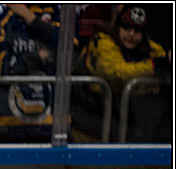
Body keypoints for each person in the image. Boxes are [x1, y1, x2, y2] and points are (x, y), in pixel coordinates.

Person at [72, 4, 171, 143]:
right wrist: (156, 64)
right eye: (126, 28)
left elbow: (161, 54)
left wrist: (168, 59)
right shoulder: (102, 41)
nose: (131, 34)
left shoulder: (147, 46)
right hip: (88, 120)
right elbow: (118, 73)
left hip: (122, 124)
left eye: (137, 31)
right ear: (117, 27)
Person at [0, 4, 63, 143]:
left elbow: (66, 52)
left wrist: (30, 18)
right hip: (6, 122)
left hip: (50, 121)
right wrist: (33, 57)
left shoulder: (55, 10)